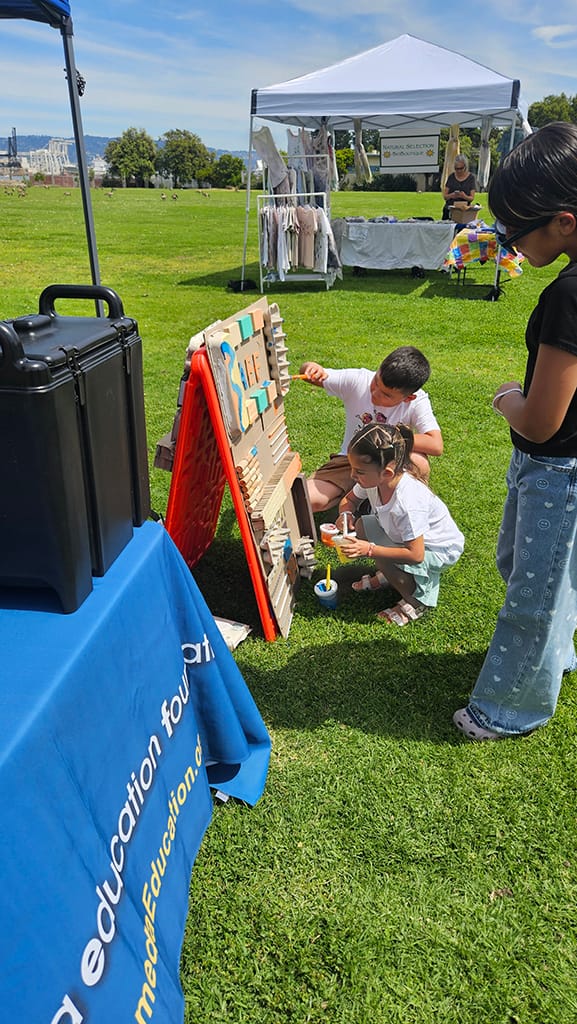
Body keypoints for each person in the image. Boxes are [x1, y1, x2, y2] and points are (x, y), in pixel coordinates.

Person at [454, 120, 577, 741]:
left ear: (564, 221)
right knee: (534, 566)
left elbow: (540, 417)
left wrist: (507, 397)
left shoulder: (569, 296)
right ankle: (556, 651)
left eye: (511, 228)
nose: (505, 241)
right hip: (556, 466)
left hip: (557, 467)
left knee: (534, 590)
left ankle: (506, 708)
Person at [336, 422, 464, 626]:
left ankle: (417, 601)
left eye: (359, 471)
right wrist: (346, 514)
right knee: (362, 526)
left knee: (382, 556)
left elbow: (416, 554)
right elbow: (349, 500)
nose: (353, 475)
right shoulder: (374, 481)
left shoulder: (407, 503)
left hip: (438, 549)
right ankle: (390, 575)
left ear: (386, 472)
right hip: (406, 538)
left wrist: (370, 550)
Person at [299, 346, 443, 512]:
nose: (374, 393)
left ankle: (393, 507)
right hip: (350, 460)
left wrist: (388, 437)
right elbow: (310, 375)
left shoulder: (417, 402)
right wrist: (310, 368)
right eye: (376, 382)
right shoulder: (358, 380)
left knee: (419, 462)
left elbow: (435, 444)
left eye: (386, 395)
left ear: (408, 398)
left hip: (388, 462)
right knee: (308, 500)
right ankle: (365, 498)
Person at [442, 155, 476, 220]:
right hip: (450, 209)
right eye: (456, 169)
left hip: (464, 210)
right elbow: (445, 196)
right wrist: (452, 195)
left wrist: (464, 196)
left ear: (465, 167)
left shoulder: (471, 178)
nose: (459, 171)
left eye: (461, 168)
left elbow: (471, 198)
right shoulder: (451, 177)